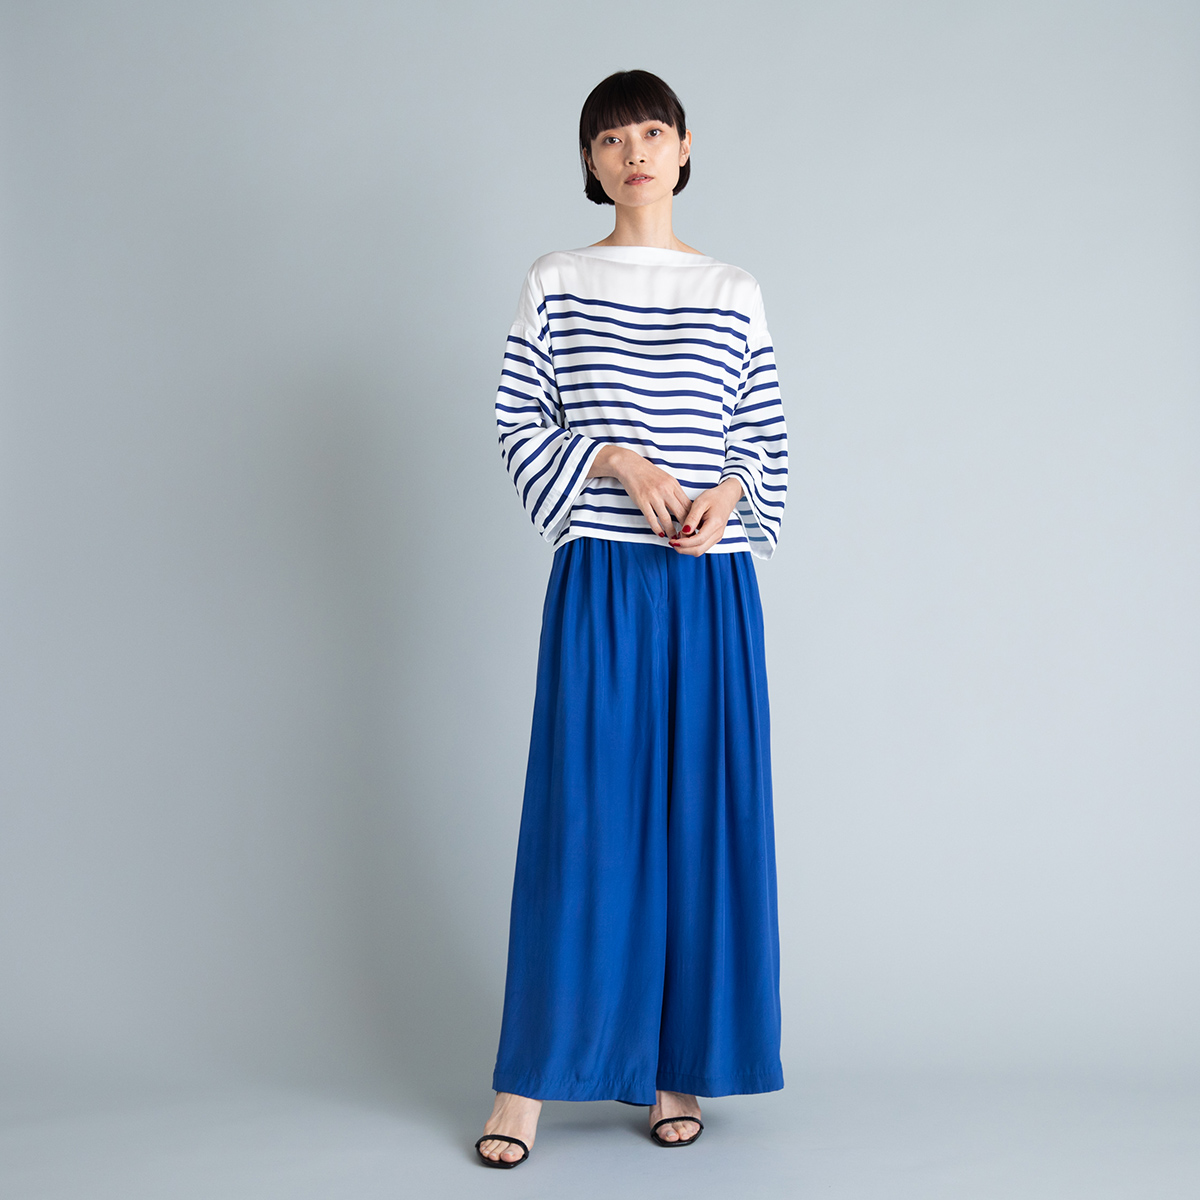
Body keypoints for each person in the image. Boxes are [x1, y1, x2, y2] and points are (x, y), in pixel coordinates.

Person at [475, 68, 789, 1169]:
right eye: (611, 139)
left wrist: (729, 496)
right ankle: (525, 1084)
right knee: (584, 822)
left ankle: (676, 1065)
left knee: (705, 819)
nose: (635, 152)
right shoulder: (557, 280)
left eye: (653, 131)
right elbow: (519, 424)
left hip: (711, 583)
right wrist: (614, 457)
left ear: (685, 146)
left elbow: (763, 442)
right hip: (604, 575)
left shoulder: (733, 289)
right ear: (590, 161)